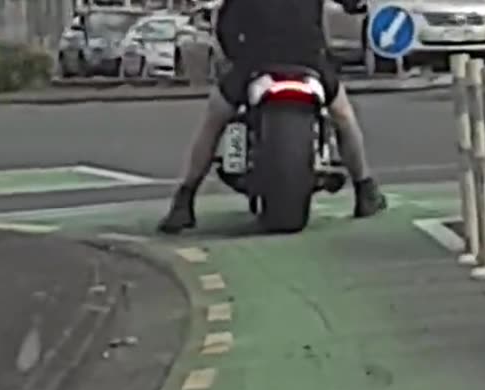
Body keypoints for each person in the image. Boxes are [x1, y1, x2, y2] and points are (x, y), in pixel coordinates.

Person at [157, 0, 387, 234]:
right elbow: (351, 4)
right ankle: (364, 188)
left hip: (256, 61)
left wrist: (236, 58)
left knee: (214, 120)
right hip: (308, 61)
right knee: (344, 117)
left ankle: (185, 200)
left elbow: (226, 27)